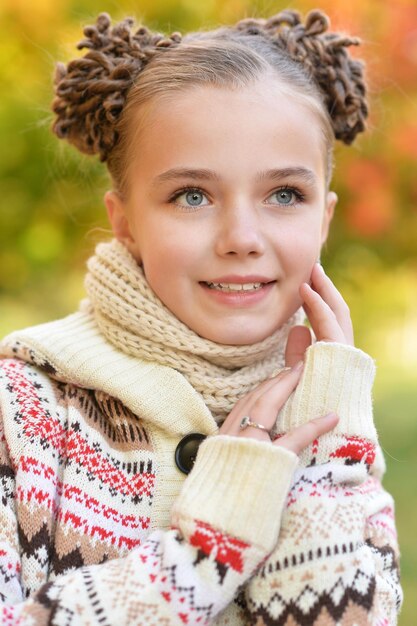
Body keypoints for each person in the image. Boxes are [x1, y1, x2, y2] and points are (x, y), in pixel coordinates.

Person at [0, 8, 402, 625]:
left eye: (284, 195)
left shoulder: (333, 413)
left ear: (323, 218)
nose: (241, 237)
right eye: (192, 195)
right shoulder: (23, 410)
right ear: (126, 221)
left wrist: (321, 460)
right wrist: (206, 548)